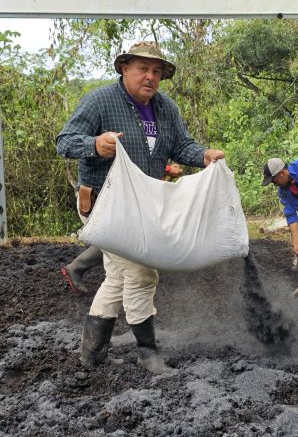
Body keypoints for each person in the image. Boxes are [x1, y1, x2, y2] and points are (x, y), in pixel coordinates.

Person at [56, 41, 224, 373]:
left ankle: (92, 355)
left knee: (118, 277)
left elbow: (181, 145)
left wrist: (203, 155)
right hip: (106, 204)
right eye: (142, 69)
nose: (150, 77)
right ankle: (147, 352)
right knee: (141, 271)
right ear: (124, 69)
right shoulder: (100, 101)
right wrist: (94, 144)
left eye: (156, 71)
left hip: (143, 203)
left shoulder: (165, 108)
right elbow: (65, 141)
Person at [61, 163, 184, 295]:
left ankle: (79, 269)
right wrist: (165, 169)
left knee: (121, 239)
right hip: (103, 195)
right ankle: (78, 268)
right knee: (120, 239)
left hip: (121, 194)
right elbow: (129, 159)